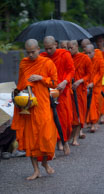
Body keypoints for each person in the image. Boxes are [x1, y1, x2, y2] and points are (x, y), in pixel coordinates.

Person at [11, 39, 58, 180]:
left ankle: (44, 162)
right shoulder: (24, 63)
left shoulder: (47, 63)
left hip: (42, 105)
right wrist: (20, 93)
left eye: (33, 51)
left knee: (46, 136)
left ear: (38, 49)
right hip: (28, 107)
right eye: (28, 52)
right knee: (30, 139)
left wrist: (41, 78)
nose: (31, 55)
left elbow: (54, 82)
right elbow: (20, 83)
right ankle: (36, 170)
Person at [40, 36, 75, 155]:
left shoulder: (64, 55)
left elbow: (71, 70)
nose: (48, 51)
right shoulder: (42, 57)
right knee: (50, 120)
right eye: (46, 48)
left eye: (50, 48)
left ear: (56, 44)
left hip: (62, 91)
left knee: (65, 120)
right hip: (48, 91)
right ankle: (54, 145)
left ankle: (64, 141)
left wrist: (65, 81)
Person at [67, 40, 92, 145]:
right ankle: (69, 137)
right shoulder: (67, 58)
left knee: (79, 115)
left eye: (71, 48)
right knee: (70, 116)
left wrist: (80, 80)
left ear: (77, 46)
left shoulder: (84, 58)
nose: (69, 50)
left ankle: (75, 139)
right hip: (69, 91)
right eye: (67, 48)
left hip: (80, 91)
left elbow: (89, 74)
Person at [84, 44, 104, 132]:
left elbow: (100, 73)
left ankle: (93, 123)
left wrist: (93, 82)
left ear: (94, 52)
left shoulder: (100, 60)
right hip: (87, 85)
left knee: (94, 104)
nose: (88, 55)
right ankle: (90, 122)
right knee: (87, 104)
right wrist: (87, 83)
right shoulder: (85, 60)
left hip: (96, 86)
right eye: (86, 53)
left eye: (90, 53)